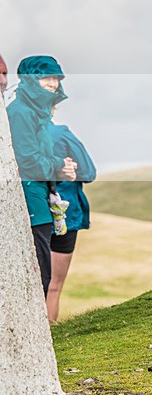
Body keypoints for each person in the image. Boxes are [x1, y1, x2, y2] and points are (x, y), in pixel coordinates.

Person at [7, 55, 77, 296]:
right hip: (30, 197)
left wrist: (62, 170)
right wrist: (59, 165)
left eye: (56, 78)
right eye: (46, 77)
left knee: (42, 272)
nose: (53, 83)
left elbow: (39, 158)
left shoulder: (36, 112)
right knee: (39, 271)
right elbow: (28, 161)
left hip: (40, 195)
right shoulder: (20, 112)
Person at [46, 120, 97, 322]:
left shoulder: (17, 133)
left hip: (32, 212)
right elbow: (89, 173)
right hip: (65, 214)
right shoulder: (60, 133)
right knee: (54, 286)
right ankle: (49, 334)